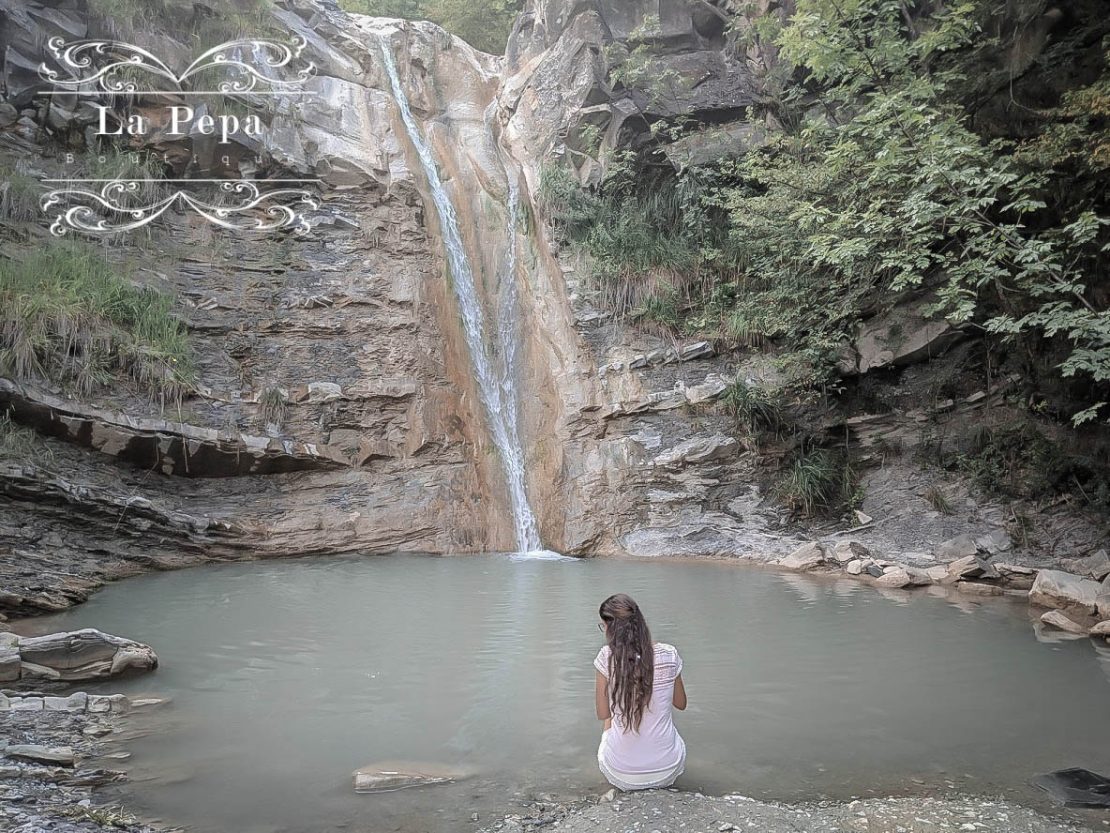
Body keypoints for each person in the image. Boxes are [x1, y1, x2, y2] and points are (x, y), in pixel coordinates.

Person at [593, 593, 687, 791]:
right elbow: (681, 704)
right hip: (668, 770)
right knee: (666, 723)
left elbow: (603, 713)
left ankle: (623, 765)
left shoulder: (606, 658)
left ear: (611, 628)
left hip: (620, 774)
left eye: (604, 626)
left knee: (610, 719)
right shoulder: (669, 654)